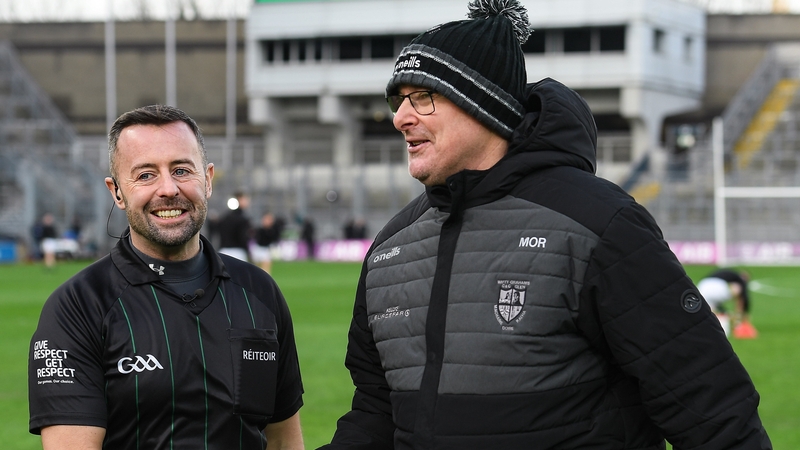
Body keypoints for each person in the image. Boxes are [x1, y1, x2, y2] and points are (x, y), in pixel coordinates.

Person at [320, 1, 770, 449]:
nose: (400, 118)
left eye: (423, 97)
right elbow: (376, 413)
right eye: (398, 100)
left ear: (482, 104)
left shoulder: (599, 224)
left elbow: (714, 416)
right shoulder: (390, 248)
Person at [28, 105, 304, 450]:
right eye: (145, 175)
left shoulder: (260, 292)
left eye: (181, 170)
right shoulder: (77, 307)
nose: (168, 189)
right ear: (117, 192)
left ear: (208, 180)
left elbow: (283, 442)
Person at [698, 268, 757, 339]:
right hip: (716, 287)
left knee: (711, 311)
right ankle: (736, 320)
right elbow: (744, 298)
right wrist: (743, 313)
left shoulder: (729, 273)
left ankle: (717, 320)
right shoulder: (740, 280)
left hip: (702, 287)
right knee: (738, 290)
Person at [216, 190, 253, 261]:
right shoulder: (243, 219)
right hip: (238, 253)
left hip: (223, 252)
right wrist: (248, 252)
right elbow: (243, 238)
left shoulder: (224, 217)